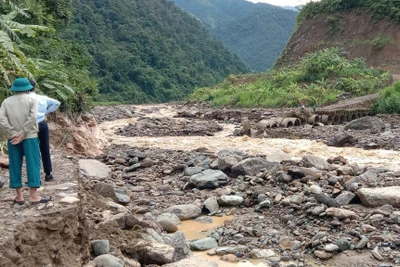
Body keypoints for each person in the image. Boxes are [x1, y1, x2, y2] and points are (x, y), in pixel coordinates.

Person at [0, 78, 51, 205]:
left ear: (14, 89)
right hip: (30, 136)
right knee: (33, 164)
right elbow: (33, 117)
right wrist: (22, 133)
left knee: (15, 165)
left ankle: (19, 197)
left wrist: (13, 133)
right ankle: (33, 196)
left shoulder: (6, 102)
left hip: (13, 138)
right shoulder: (32, 99)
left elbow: (2, 119)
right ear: (28, 88)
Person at [29, 80, 60, 182]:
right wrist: (46, 112)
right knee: (45, 148)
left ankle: (34, 176)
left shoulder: (24, 99)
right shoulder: (43, 98)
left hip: (29, 126)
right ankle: (48, 173)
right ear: (35, 88)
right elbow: (56, 103)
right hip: (42, 124)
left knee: (32, 150)